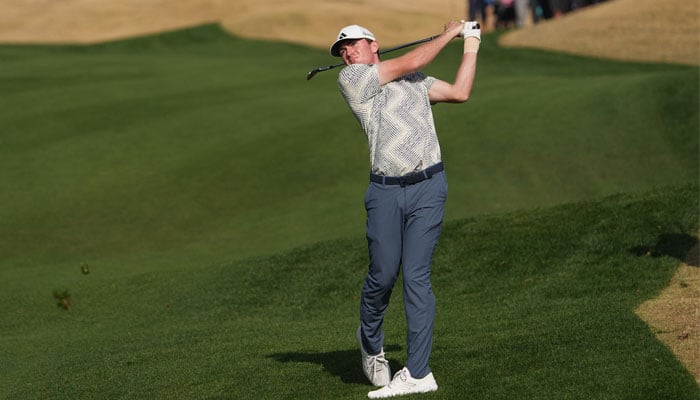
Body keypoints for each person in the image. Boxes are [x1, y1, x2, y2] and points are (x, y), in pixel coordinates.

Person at [329, 20, 480, 398]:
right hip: (385, 192)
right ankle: (371, 341)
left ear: (373, 44)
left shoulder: (416, 82)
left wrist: (471, 44)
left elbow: (460, 93)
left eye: (353, 44)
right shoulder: (353, 81)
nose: (347, 52)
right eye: (342, 50)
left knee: (416, 276)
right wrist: (448, 33)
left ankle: (418, 372)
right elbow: (409, 61)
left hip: (429, 186)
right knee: (382, 275)